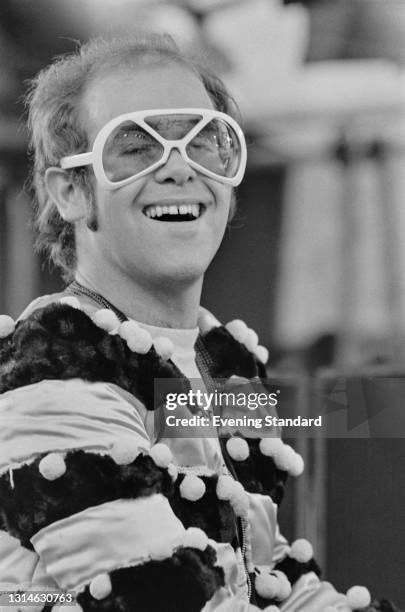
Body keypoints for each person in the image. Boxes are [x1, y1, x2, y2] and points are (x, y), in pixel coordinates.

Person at [0, 34, 400, 612]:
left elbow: (270, 580)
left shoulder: (220, 366)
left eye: (204, 142)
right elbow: (164, 600)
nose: (179, 167)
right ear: (70, 192)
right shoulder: (50, 366)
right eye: (135, 147)